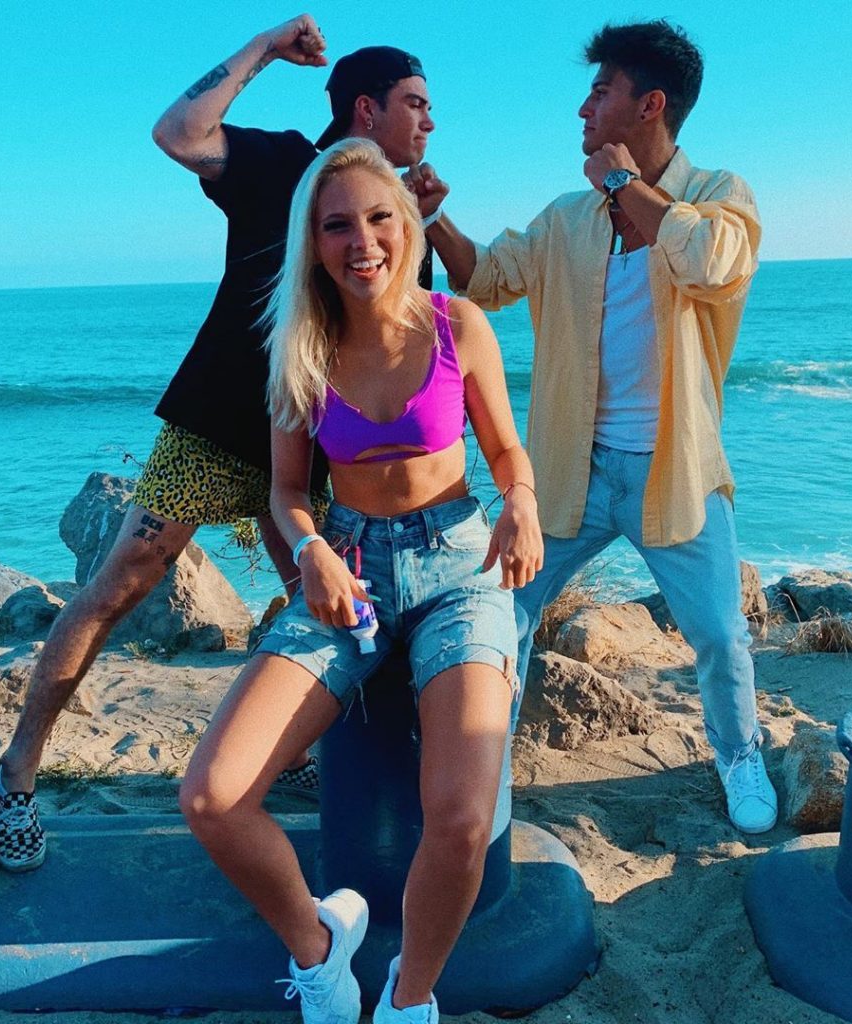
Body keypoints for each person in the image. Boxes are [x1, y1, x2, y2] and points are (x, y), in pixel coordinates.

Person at [0, 14, 437, 873]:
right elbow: (178, 132)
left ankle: (298, 756)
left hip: (317, 451)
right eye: (415, 104)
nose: (429, 121)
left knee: (326, 606)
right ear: (366, 109)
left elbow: (406, 346)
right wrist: (266, 47)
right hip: (220, 428)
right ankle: (16, 774)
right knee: (119, 582)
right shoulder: (282, 165)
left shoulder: (396, 221)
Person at [180, 137, 543, 1024]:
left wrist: (523, 504)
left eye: (380, 218)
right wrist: (309, 549)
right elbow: (287, 490)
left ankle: (409, 999)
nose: (363, 241)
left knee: (461, 817)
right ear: (313, 243)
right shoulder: (300, 348)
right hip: (346, 569)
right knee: (211, 797)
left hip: (461, 569)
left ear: (407, 227)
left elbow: (506, 451)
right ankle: (319, 948)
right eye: (337, 225)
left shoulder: (458, 325)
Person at [410, 20, 778, 834]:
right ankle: (486, 766)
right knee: (503, 612)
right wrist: (435, 220)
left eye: (601, 91)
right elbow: (486, 280)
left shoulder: (719, 195)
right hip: (571, 469)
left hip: (674, 471)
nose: (583, 108)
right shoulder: (567, 219)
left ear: (650, 105)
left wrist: (622, 183)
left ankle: (738, 752)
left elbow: (711, 263)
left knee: (721, 635)